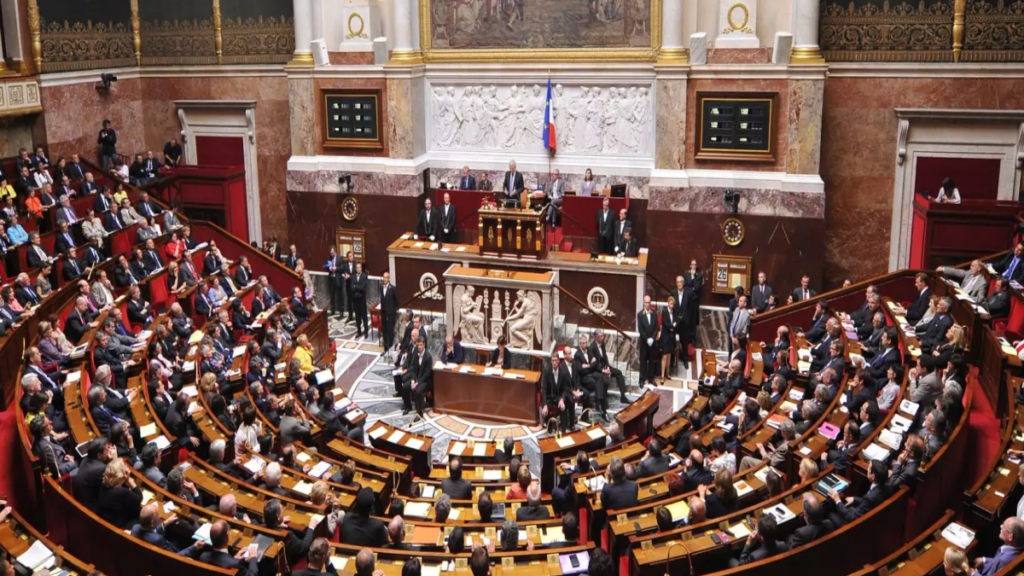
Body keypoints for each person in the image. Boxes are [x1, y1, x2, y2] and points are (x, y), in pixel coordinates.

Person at [827, 459, 890, 526]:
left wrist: (837, 500)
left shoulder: (869, 498)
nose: (867, 470)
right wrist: (855, 499)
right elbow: (869, 502)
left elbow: (852, 517)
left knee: (828, 512)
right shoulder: (887, 487)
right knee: (848, 506)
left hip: (856, 526)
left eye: (868, 469)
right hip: (874, 517)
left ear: (873, 476)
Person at [97, 458, 143, 529]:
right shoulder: (122, 492)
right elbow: (139, 498)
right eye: (124, 466)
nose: (127, 468)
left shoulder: (104, 484)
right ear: (121, 474)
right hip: (118, 525)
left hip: (107, 519)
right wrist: (129, 480)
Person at [637, 295, 657, 386]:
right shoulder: (640, 314)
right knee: (643, 359)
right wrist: (647, 339)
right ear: (643, 303)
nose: (648, 304)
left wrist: (652, 338)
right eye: (646, 302)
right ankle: (642, 378)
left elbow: (656, 328)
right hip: (644, 342)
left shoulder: (654, 313)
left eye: (649, 302)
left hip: (652, 342)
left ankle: (651, 378)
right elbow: (640, 329)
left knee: (652, 360)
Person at [352, 261, 368, 337]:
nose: (358, 269)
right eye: (357, 268)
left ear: (361, 268)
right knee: (357, 316)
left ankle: (366, 331)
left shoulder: (364, 276)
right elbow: (351, 287)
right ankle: (359, 331)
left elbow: (363, 288)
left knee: (364, 316)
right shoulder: (353, 276)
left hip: (362, 299)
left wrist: (356, 286)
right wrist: (356, 287)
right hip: (355, 300)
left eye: (359, 267)